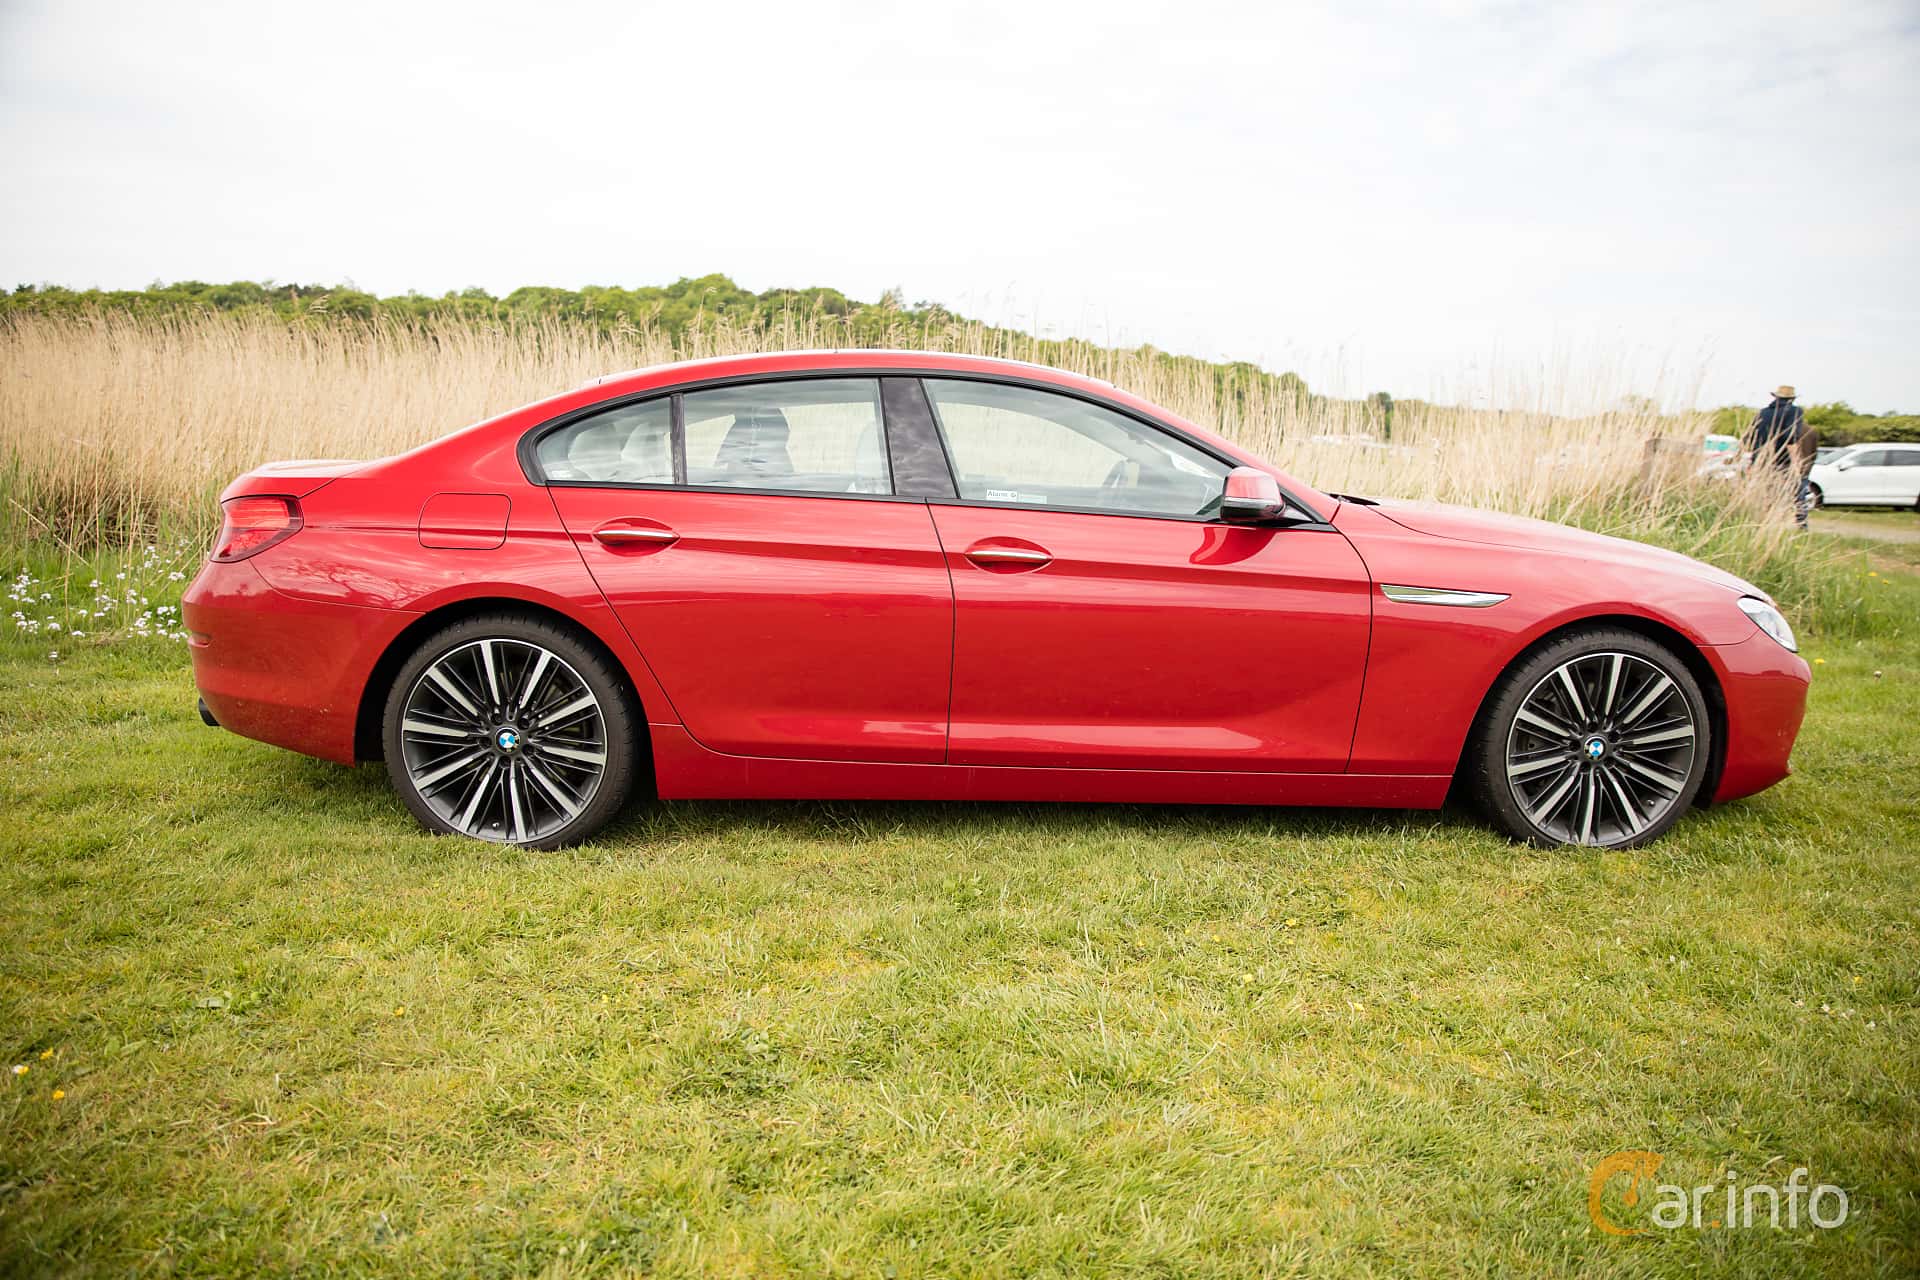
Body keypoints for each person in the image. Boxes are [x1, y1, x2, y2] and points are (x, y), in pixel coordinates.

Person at [1745, 384, 1817, 529]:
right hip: (1782, 461)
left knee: (1766, 495)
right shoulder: (1794, 412)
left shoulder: (1763, 413)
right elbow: (1791, 438)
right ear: (1792, 399)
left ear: (1776, 397)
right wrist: (1796, 463)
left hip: (1761, 462)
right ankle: (1800, 524)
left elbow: (1749, 438)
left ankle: (1762, 524)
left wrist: (1752, 462)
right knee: (1796, 493)